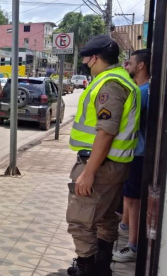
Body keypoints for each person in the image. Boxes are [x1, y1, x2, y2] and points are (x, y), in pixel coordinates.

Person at [66, 35, 141, 276]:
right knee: (106, 217)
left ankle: (88, 270)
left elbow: (106, 132)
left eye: (87, 58)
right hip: (114, 165)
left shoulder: (110, 84)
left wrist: (88, 173)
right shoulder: (122, 80)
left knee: (81, 221)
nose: (86, 63)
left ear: (96, 57)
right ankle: (101, 268)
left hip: (100, 166)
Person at [113, 49, 151, 263]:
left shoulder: (143, 92)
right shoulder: (140, 89)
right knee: (128, 196)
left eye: (130, 63)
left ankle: (133, 246)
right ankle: (125, 226)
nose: (126, 67)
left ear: (141, 66)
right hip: (134, 151)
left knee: (133, 199)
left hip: (138, 152)